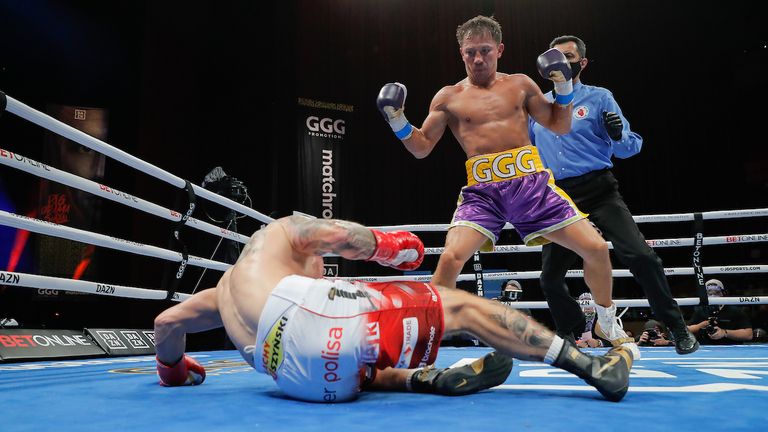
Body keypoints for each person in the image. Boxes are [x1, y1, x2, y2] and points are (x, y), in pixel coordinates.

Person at [376, 15, 637, 359]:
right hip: (483, 193)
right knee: (452, 257)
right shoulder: (448, 97)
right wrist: (398, 121)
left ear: (499, 49)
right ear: (461, 53)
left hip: (532, 186)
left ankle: (604, 320)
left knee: (597, 248)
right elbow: (422, 147)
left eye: (485, 50)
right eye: (470, 53)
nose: (478, 59)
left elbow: (559, 125)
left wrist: (563, 87)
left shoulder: (521, 85)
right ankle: (426, 337)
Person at [154, 215, 633, 402]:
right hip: (309, 317)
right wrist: (392, 246)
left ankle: (418, 378)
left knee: (353, 353)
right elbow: (341, 238)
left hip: (295, 379)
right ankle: (589, 366)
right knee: (461, 308)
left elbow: (167, 323)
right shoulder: (278, 232)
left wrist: (174, 370)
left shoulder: (222, 294)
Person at [528, 35, 698, 355]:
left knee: (642, 257)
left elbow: (629, 147)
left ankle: (676, 327)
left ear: (583, 62)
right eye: (557, 57)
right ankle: (571, 329)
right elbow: (528, 155)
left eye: (569, 56)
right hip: (558, 197)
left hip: (599, 189)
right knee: (550, 278)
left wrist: (618, 134)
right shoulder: (539, 107)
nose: (563, 62)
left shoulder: (599, 98)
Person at [687, 279, 753, 345]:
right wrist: (699, 326)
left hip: (731, 348)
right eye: (709, 293)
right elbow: (685, 331)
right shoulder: (700, 311)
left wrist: (725, 333)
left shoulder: (735, 311)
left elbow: (748, 334)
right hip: (706, 349)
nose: (713, 296)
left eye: (716, 292)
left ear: (723, 293)